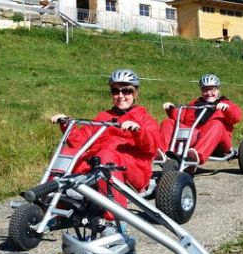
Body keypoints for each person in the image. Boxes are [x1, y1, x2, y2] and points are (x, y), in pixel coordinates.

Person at [50, 69, 161, 219]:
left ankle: (114, 215)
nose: (121, 96)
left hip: (134, 169)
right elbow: (81, 141)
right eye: (116, 91)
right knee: (66, 153)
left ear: (135, 94)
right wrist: (66, 124)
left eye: (126, 91)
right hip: (99, 164)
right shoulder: (104, 116)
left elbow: (152, 147)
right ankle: (51, 207)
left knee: (105, 155)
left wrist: (138, 131)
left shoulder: (144, 118)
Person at [159, 73, 243, 166]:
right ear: (201, 90)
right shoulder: (195, 104)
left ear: (218, 89)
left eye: (212, 89)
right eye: (205, 90)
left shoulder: (225, 103)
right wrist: (171, 110)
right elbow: (181, 119)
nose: (209, 93)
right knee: (168, 123)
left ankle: (196, 155)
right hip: (195, 137)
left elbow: (236, 117)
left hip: (218, 140)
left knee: (216, 123)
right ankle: (163, 154)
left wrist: (227, 109)